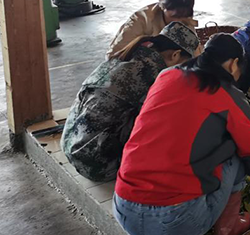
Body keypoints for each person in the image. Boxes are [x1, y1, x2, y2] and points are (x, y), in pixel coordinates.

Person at [113, 34, 250, 235]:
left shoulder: (166, 76)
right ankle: (229, 227)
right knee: (237, 149)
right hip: (176, 223)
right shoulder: (229, 96)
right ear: (233, 64)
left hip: (124, 209)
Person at [62, 22, 200, 183]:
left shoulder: (130, 56)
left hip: (71, 144)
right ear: (175, 55)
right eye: (184, 64)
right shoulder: (153, 74)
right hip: (99, 165)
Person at [107, 0, 199, 58]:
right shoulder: (141, 20)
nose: (179, 22)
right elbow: (113, 56)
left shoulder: (185, 19)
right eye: (174, 16)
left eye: (183, 17)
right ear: (162, 7)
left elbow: (195, 54)